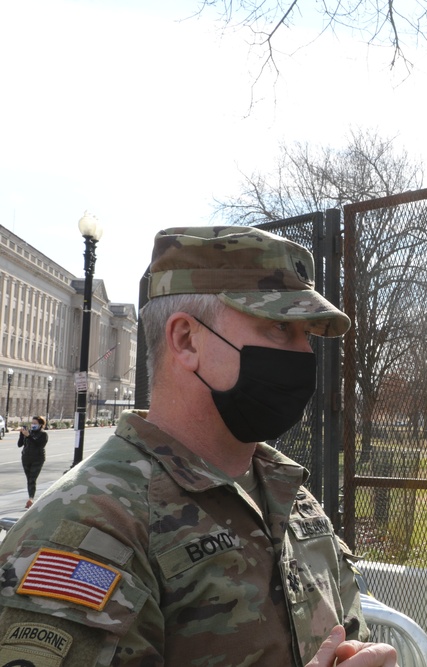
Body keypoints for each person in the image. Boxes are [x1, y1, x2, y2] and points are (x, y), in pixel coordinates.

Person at [0, 226, 397, 667]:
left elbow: (345, 636)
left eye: (307, 334)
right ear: (186, 339)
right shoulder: (85, 530)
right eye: (280, 329)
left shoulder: (290, 495)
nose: (305, 354)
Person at [16, 415, 47, 508]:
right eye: (32, 423)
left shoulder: (43, 434)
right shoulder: (28, 432)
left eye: (35, 423)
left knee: (32, 479)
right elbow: (19, 444)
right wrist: (22, 434)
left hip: (37, 458)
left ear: (41, 424)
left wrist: (28, 436)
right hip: (26, 458)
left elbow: (39, 445)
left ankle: (31, 498)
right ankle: (31, 497)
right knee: (29, 479)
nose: (33, 425)